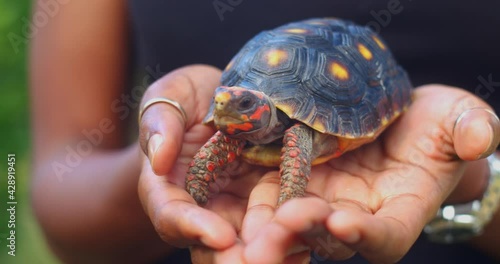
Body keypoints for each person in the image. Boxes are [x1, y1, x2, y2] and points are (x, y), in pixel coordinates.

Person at [30, 0, 500, 263]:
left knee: (298, 139)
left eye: (241, 105)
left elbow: (298, 135)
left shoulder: (295, 133)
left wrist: (474, 176)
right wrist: (161, 163)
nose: (227, 109)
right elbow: (60, 194)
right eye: (225, 104)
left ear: (261, 109)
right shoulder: (232, 128)